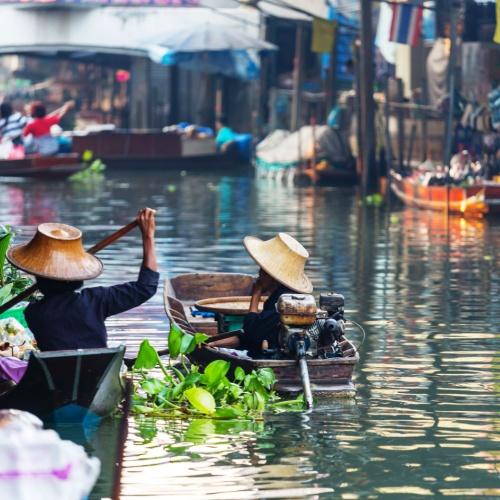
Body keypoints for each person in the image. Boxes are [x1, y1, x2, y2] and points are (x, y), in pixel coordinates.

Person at [7, 208, 159, 352]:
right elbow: (146, 288)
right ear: (75, 276)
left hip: (56, 377)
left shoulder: (34, 313)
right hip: (98, 374)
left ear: (40, 278)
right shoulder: (96, 300)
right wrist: (148, 237)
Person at [240, 233, 313, 358]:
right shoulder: (287, 296)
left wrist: (256, 294)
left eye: (262, 272)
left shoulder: (284, 303)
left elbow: (251, 332)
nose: (258, 276)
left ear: (272, 276)